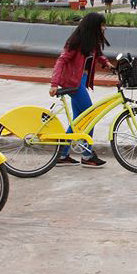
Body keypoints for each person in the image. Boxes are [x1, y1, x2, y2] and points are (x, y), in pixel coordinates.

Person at [49, 13, 114, 168]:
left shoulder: (91, 41)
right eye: (102, 25)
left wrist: (108, 64)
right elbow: (61, 60)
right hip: (73, 83)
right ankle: (87, 155)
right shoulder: (76, 41)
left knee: (79, 120)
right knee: (90, 117)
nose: (104, 28)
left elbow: (97, 55)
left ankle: (62, 154)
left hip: (81, 82)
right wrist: (54, 83)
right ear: (94, 26)